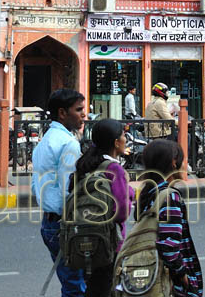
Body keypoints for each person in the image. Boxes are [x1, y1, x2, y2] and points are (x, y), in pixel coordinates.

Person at [32, 88, 87, 297]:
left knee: (71, 283)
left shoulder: (46, 140)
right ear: (62, 113)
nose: (83, 114)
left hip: (49, 223)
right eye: (78, 110)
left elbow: (36, 185)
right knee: (76, 287)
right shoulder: (68, 144)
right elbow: (69, 190)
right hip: (64, 224)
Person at [72, 118, 133, 296]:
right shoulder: (115, 169)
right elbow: (122, 212)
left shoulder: (87, 163)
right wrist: (130, 195)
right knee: (105, 287)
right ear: (116, 142)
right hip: (108, 242)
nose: (126, 139)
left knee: (93, 287)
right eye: (124, 135)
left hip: (84, 236)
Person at [137, 139, 204, 297]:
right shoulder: (169, 197)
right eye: (183, 160)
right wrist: (184, 278)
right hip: (171, 283)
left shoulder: (149, 192)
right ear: (174, 162)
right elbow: (169, 247)